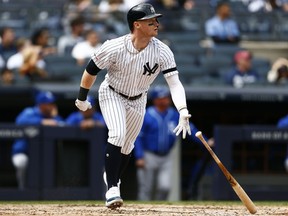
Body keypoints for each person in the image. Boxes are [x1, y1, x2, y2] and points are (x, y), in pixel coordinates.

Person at [74, 3, 192, 209]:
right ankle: (112, 188)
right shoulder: (114, 46)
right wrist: (82, 99)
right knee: (118, 135)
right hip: (112, 93)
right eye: (151, 20)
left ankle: (112, 177)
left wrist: (182, 110)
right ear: (137, 24)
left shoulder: (162, 51)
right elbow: (90, 71)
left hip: (138, 99)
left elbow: (174, 83)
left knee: (128, 145)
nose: (156, 23)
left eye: (156, 19)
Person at [134, 86, 214, 201]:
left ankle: (158, 212)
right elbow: (138, 137)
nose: (166, 100)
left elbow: (189, 129)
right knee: (146, 189)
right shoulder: (146, 115)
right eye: (162, 98)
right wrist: (139, 156)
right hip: (148, 155)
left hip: (166, 156)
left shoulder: (174, 115)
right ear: (156, 100)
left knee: (165, 187)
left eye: (167, 97)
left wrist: (205, 141)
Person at [11, 91, 64, 190]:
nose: (52, 106)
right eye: (49, 103)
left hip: (44, 154)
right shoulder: (29, 112)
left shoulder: (53, 116)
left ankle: (50, 191)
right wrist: (42, 122)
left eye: (52, 103)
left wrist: (54, 117)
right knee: (21, 162)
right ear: (41, 105)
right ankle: (22, 190)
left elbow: (63, 125)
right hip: (24, 152)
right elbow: (20, 121)